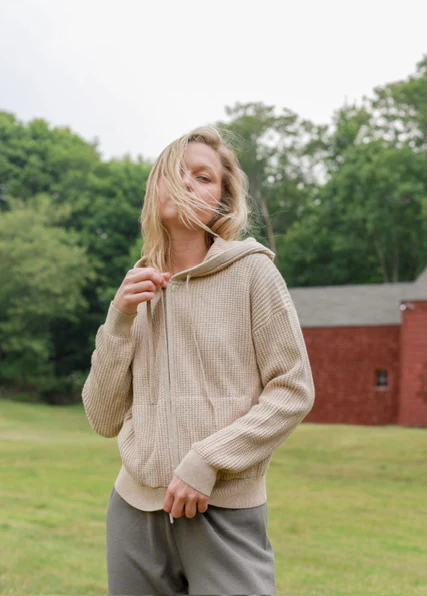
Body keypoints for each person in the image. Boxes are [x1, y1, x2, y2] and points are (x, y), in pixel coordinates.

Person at [81, 125, 315, 596]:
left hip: (223, 511)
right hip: (134, 514)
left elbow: (293, 390)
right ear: (155, 188)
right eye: (176, 173)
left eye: (203, 177)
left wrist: (207, 461)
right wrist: (120, 318)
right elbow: (102, 416)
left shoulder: (254, 273)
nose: (188, 182)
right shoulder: (138, 289)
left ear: (223, 202)